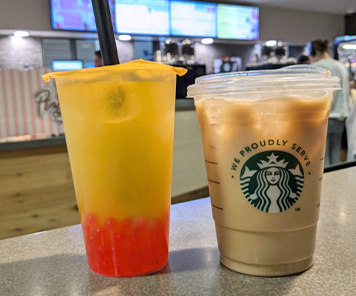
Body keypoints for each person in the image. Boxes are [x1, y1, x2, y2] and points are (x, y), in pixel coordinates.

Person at [308, 39, 350, 166]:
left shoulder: (316, 68)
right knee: (335, 155)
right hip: (340, 117)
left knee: (322, 157)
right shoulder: (340, 66)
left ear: (313, 52)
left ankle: (326, 184)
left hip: (323, 117)